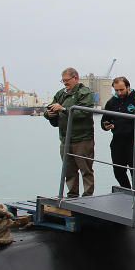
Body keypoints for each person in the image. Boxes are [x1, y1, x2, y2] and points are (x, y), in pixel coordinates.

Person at [44, 67, 95, 197]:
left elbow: (84, 112)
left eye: (67, 80)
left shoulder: (85, 93)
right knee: (69, 170)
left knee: (86, 168)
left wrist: (63, 109)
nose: (65, 83)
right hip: (65, 138)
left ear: (76, 78)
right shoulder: (60, 94)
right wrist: (48, 113)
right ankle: (72, 194)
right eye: (63, 81)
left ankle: (88, 195)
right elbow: (49, 108)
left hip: (83, 138)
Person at [101, 76, 135, 189]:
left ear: (128, 87)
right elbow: (104, 121)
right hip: (117, 140)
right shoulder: (111, 102)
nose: (119, 92)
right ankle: (127, 190)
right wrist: (106, 126)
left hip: (133, 141)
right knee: (118, 171)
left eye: (121, 90)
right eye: (116, 90)